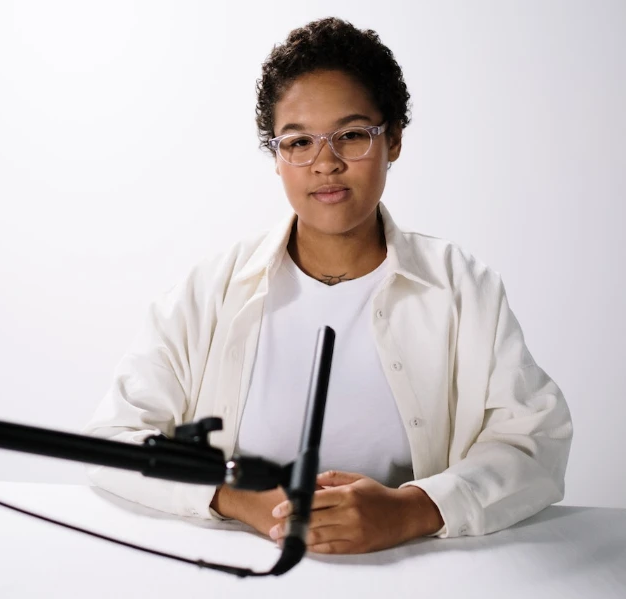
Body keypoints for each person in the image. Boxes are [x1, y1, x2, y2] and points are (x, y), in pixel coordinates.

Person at [83, 16, 572, 555]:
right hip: (242, 567)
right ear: (276, 156)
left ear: (395, 140)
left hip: (415, 574)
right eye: (298, 142)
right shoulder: (210, 291)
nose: (326, 163)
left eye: (353, 135)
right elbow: (112, 441)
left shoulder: (460, 287)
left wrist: (413, 509)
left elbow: (533, 442)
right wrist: (241, 499)